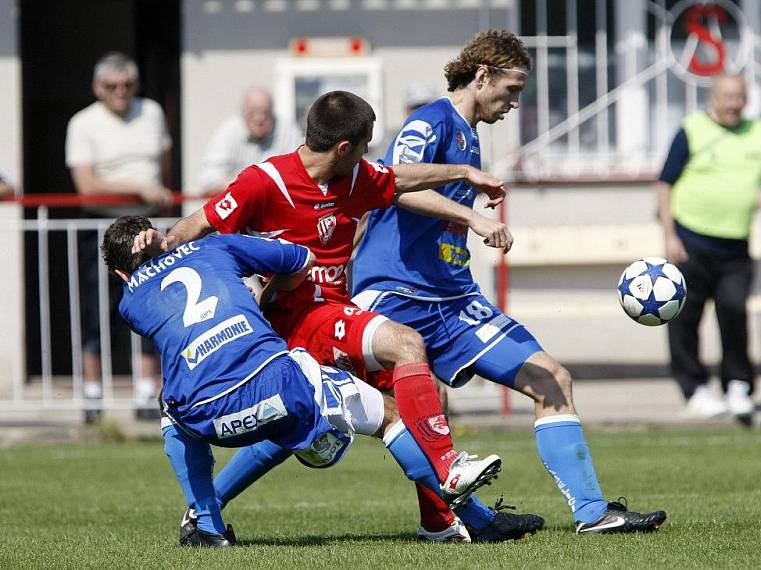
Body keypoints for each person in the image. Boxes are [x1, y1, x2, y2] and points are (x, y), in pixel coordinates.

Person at [134, 90, 541, 542]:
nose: (371, 156)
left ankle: (443, 523)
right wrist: (163, 241)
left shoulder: (353, 178)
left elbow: (402, 179)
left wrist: (465, 174)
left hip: (333, 311)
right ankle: (450, 469)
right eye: (366, 145)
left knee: (399, 405)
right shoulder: (265, 182)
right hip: (296, 315)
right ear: (344, 147)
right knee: (406, 344)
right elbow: (203, 222)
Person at [351, 29, 667, 534]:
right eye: (511, 90)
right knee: (341, 418)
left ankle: (592, 513)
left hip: (452, 298)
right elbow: (395, 184)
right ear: (482, 76)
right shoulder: (428, 121)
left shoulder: (468, 136)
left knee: (551, 379)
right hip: (398, 292)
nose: (515, 102)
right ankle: (206, 511)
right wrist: (474, 216)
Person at [104, 215, 503, 547]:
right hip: (278, 386)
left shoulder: (129, 304)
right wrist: (266, 296)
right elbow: (300, 259)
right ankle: (473, 518)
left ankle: (207, 526)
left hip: (209, 418)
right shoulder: (214, 246)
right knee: (392, 416)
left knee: (170, 409)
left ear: (121, 272)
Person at [657, 74, 761, 425]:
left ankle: (738, 386)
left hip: (735, 244)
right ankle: (695, 391)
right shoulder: (692, 129)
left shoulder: (758, 132)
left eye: (740, 97)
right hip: (691, 240)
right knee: (684, 317)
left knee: (734, 312)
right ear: (714, 98)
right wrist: (669, 235)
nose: (734, 103)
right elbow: (664, 183)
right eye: (728, 97)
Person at [65, 51, 173, 421]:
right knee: (96, 309)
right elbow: (87, 187)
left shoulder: (153, 112)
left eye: (127, 85)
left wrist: (150, 195)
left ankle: (147, 393)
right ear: (98, 88)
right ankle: (93, 394)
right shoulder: (83, 123)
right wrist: (139, 189)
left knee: (151, 306)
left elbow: (163, 167)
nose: (120, 92)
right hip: (100, 225)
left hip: (146, 227)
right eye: (112, 86)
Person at [197, 86, 303, 195]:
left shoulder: (287, 130)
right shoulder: (228, 131)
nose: (259, 118)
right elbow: (207, 180)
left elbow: (301, 174)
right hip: (238, 205)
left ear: (272, 111)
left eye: (265, 112)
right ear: (243, 111)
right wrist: (248, 184)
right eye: (253, 112)